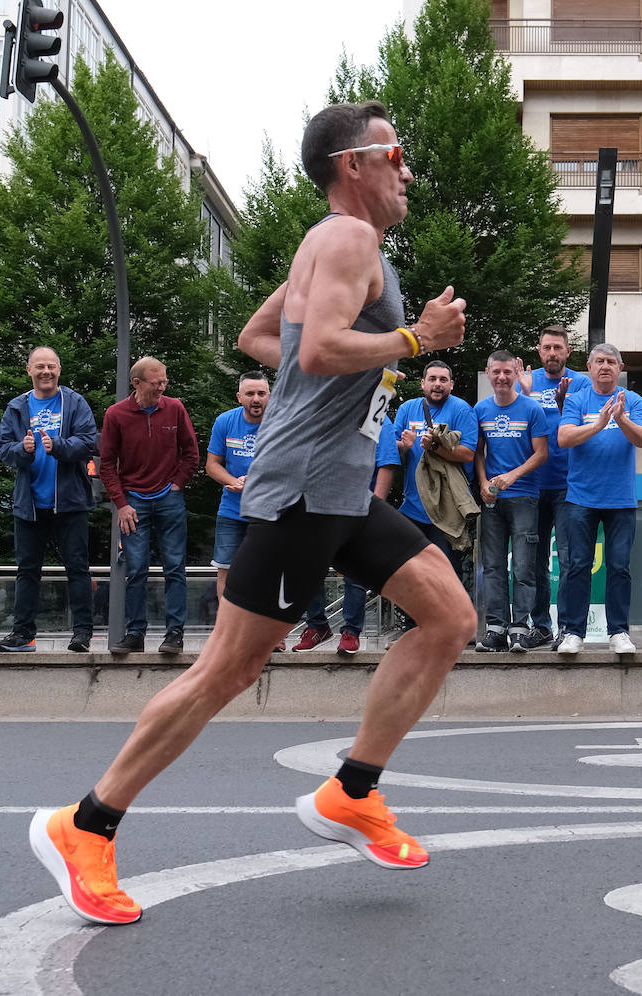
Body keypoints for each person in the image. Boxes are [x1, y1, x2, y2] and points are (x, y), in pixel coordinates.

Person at [29, 101, 471, 926]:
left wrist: (343, 378)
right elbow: (315, 348)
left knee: (448, 615)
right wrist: (414, 341)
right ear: (354, 163)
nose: (407, 171)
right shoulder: (347, 237)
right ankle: (84, 825)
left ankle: (352, 792)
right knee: (226, 672)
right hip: (301, 491)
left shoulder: (331, 244)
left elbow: (258, 335)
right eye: (397, 154)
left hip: (339, 490)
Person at [0, 346, 98, 653]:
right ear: (29, 371)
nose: (46, 371)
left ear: (59, 370)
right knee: (27, 570)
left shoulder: (74, 402)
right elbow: (2, 448)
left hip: (70, 502)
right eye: (40, 366)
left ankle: (82, 634)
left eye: (51, 366)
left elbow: (89, 443)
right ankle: (23, 634)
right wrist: (22, 449)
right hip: (29, 503)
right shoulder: (16, 406)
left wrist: (59, 446)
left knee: (77, 568)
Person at [98, 356, 200, 656]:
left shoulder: (175, 408)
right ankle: (135, 633)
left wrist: (177, 484)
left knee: (175, 567)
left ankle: (175, 633)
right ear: (137, 383)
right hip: (133, 502)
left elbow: (191, 453)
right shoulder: (116, 415)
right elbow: (106, 464)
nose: (162, 387)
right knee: (136, 569)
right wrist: (121, 504)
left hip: (169, 497)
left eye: (164, 381)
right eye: (156, 383)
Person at [556, 343, 642, 655]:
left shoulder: (632, 400)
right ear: (589, 366)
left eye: (611, 361)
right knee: (577, 565)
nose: (605, 366)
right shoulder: (577, 399)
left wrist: (620, 418)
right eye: (599, 361)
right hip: (581, 497)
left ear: (620, 368)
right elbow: (564, 437)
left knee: (619, 566)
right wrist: (597, 424)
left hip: (621, 499)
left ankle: (619, 632)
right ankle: (573, 632)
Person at [293, 418, 403, 656]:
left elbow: (386, 464)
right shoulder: (327, 411)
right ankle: (317, 625)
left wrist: (375, 508)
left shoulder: (378, 417)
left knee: (355, 574)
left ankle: (351, 632)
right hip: (321, 504)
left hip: (360, 507)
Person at [519, 326, 591, 649]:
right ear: (539, 350)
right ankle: (542, 626)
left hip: (568, 485)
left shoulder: (583, 382)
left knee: (570, 559)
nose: (552, 353)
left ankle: (568, 629)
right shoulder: (526, 382)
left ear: (568, 351)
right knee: (535, 562)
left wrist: (564, 404)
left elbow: (586, 428)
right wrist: (522, 393)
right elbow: (516, 425)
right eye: (546, 347)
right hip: (532, 486)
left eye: (557, 348)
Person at [475, 350, 549, 651]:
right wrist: (482, 481)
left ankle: (520, 627)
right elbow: (477, 452)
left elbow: (542, 453)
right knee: (492, 567)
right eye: (497, 372)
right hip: (492, 499)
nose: (502, 378)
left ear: (515, 374)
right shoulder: (480, 409)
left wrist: (513, 476)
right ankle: (495, 628)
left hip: (525, 498)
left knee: (523, 567)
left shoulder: (532, 409)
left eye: (508, 372)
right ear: (489, 373)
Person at [394, 360, 478, 579]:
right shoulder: (407, 408)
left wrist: (434, 447)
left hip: (446, 510)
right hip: (412, 508)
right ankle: (414, 616)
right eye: (432, 379)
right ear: (423, 383)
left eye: (443, 379)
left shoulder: (462, 409)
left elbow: (468, 453)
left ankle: (452, 614)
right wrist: (405, 445)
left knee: (446, 576)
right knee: (412, 575)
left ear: (451, 384)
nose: (437, 384)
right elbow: (392, 451)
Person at [206, 371, 271, 602]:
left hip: (270, 511)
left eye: (261, 393)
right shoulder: (225, 421)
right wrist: (233, 482)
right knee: (226, 570)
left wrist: (255, 481)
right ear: (239, 397)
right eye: (250, 393)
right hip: (232, 510)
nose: (256, 399)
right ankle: (226, 633)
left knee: (269, 570)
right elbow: (212, 465)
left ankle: (271, 637)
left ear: (270, 396)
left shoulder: (281, 424)